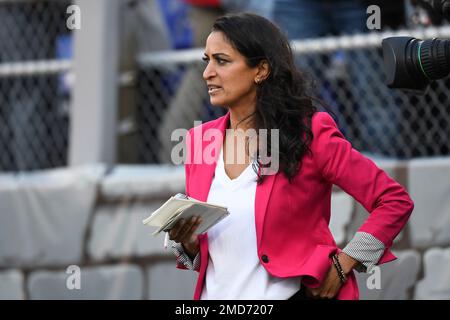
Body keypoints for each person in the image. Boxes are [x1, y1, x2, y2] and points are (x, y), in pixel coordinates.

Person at [167, 13, 414, 300]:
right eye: (206, 60)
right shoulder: (199, 140)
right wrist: (188, 244)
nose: (207, 72)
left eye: (221, 60)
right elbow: (207, 256)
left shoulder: (311, 131)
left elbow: (394, 201)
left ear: (260, 70)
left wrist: (345, 263)